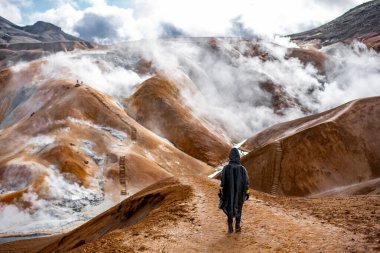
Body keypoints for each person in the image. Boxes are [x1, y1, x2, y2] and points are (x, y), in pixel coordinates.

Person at [219, 148, 250, 233]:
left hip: (228, 193)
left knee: (229, 207)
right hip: (240, 194)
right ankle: (237, 226)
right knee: (239, 208)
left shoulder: (226, 168)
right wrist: (247, 192)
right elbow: (246, 182)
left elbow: (222, 182)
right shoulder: (243, 169)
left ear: (230, 156)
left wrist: (220, 192)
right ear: (238, 157)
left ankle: (230, 227)